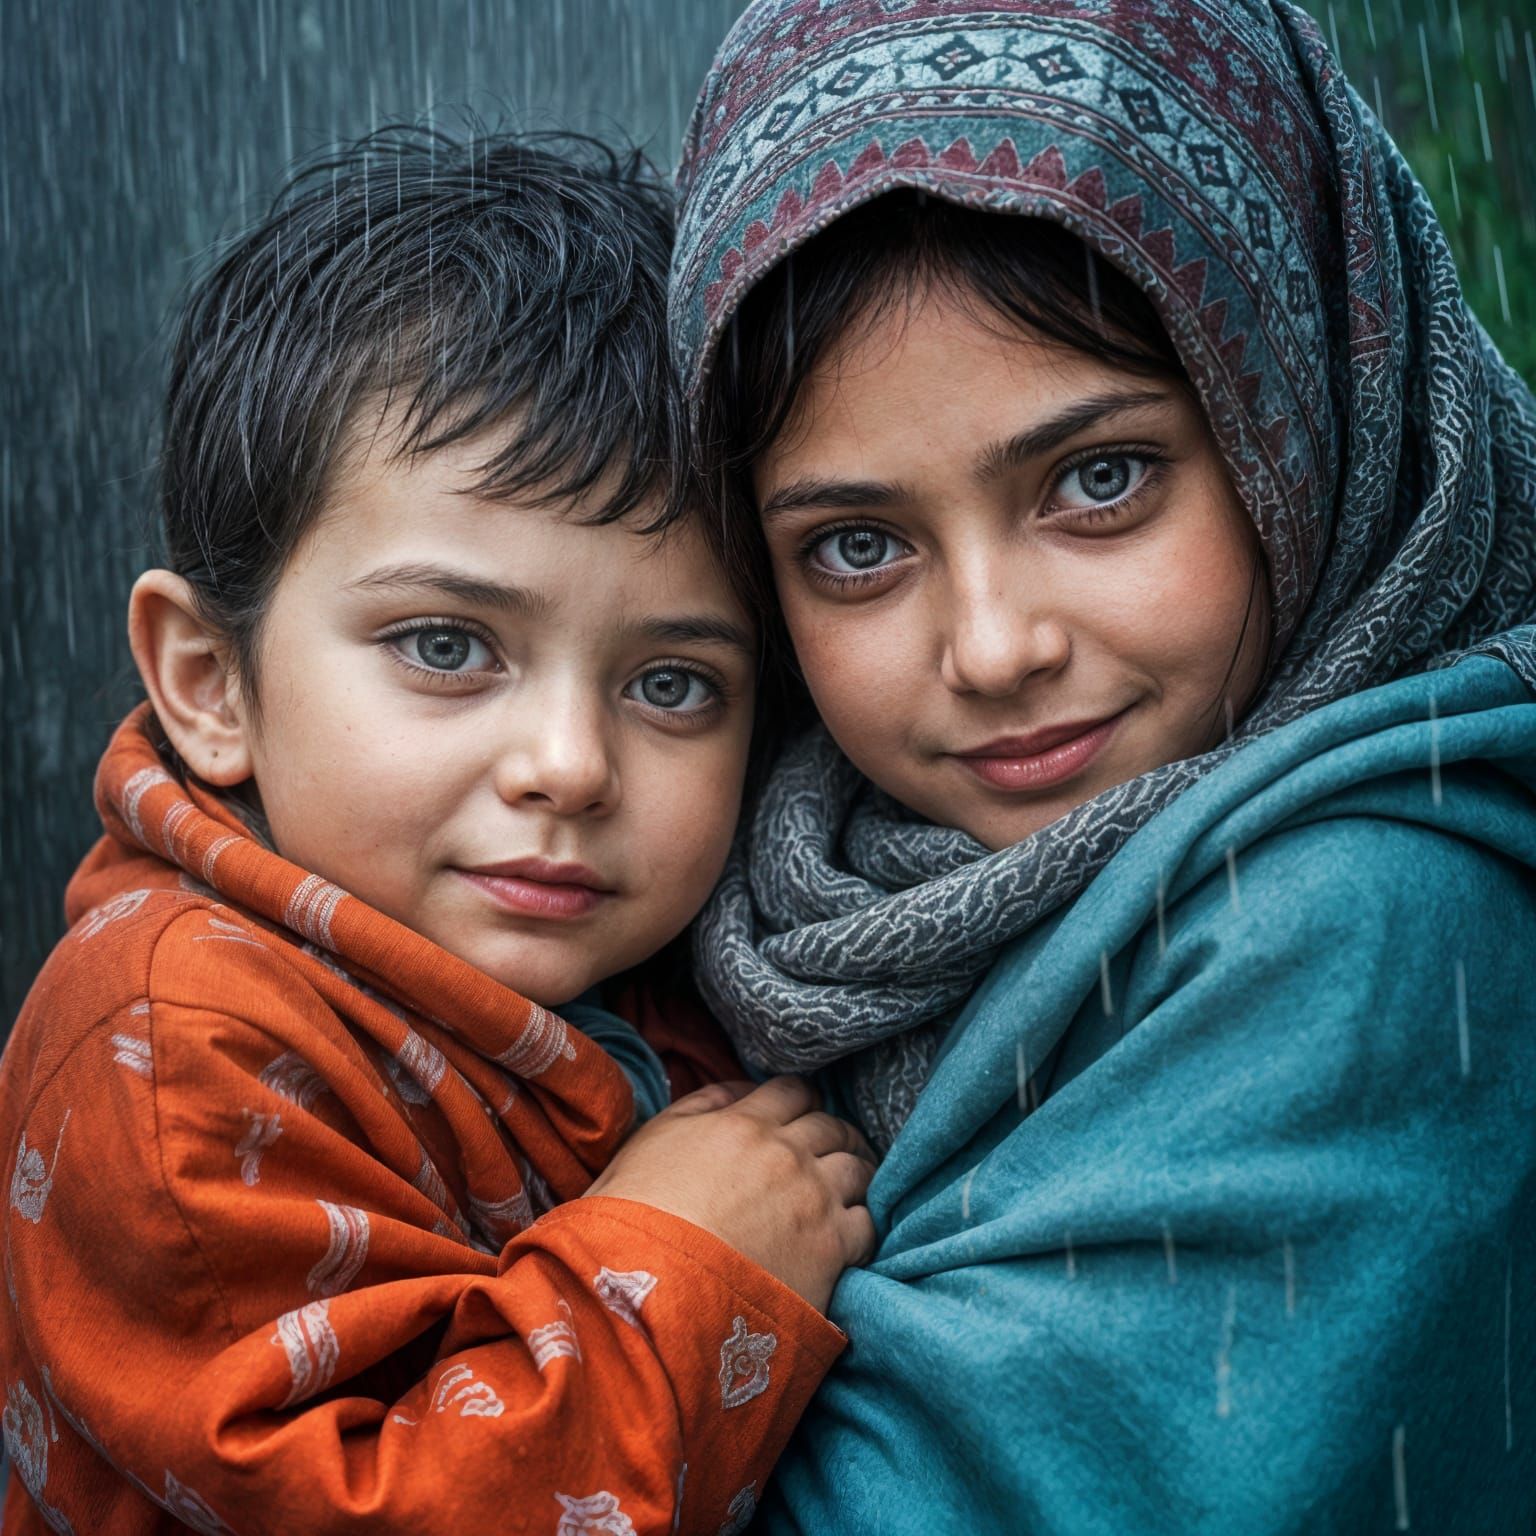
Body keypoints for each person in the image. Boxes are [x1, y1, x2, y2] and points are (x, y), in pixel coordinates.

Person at [671, 1, 1536, 1529]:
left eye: (1101, 479)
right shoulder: (719, 861)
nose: (994, 647)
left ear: (1305, 418)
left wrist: (635, 1297)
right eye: (857, 548)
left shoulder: (1373, 918)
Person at [0, 127, 876, 1535]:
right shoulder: (172, 1044)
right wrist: (687, 1261)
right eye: (447, 646)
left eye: (672, 685)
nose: (570, 766)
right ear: (211, 685)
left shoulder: (685, 958)